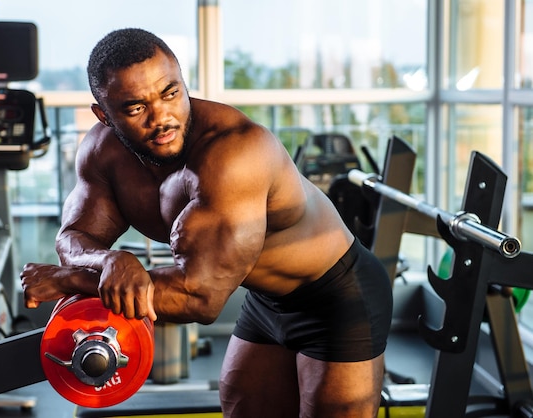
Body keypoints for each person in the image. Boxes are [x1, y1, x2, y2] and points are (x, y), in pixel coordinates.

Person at [20, 27, 393, 418]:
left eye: (170, 93)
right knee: (241, 409)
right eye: (135, 107)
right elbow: (75, 237)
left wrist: (75, 279)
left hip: (336, 296)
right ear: (104, 115)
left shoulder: (233, 153)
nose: (161, 118)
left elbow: (199, 297)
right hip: (268, 300)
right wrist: (109, 262)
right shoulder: (101, 153)